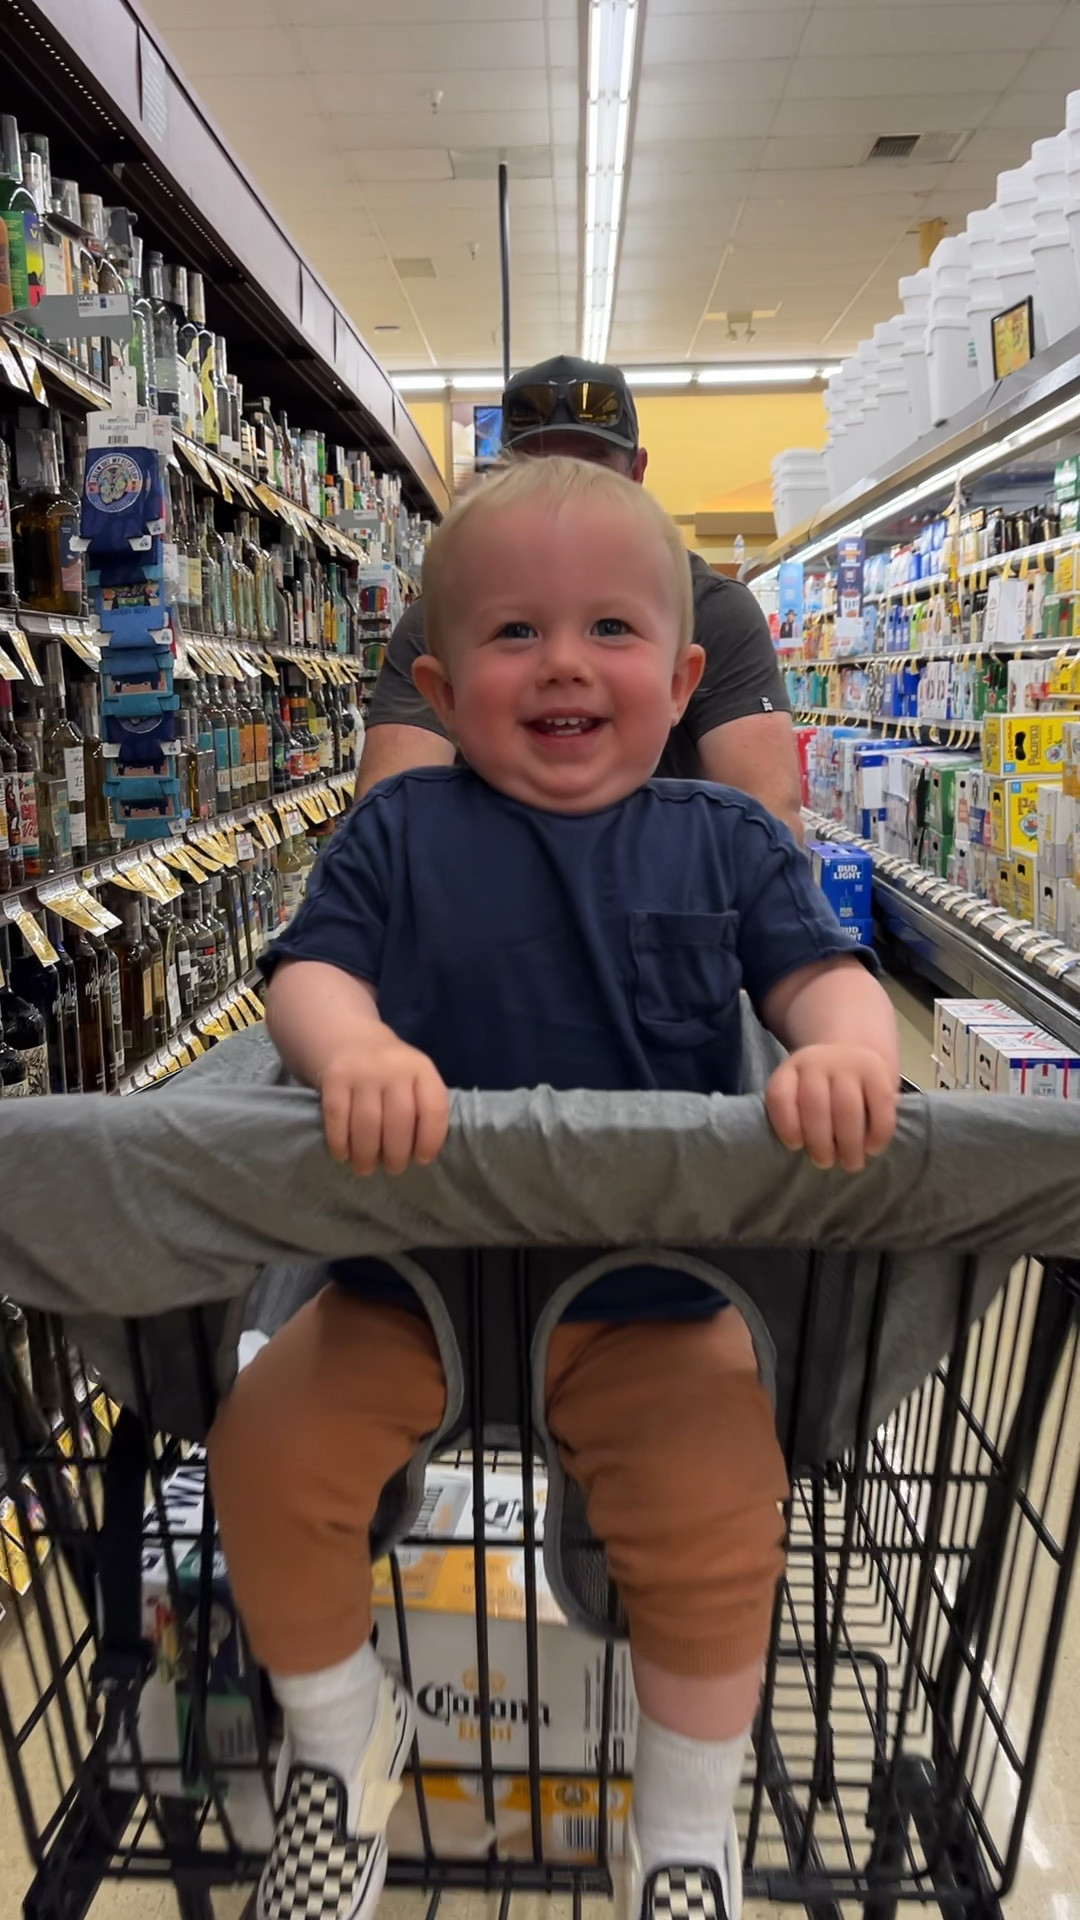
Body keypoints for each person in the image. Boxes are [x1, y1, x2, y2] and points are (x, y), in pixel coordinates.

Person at [208, 457, 899, 1920]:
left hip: (654, 1295)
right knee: (263, 1452)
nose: (565, 663)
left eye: (610, 630)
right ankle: (340, 1743)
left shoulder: (726, 841)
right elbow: (311, 974)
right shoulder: (400, 833)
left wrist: (843, 1053)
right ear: (442, 689)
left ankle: (684, 1828)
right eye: (515, 632)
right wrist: (355, 1048)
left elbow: (821, 979)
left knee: (724, 1510)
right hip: (410, 1278)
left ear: (684, 678)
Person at [357, 354, 804, 838]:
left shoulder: (715, 610)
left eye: (592, 469)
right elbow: (387, 828)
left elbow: (770, 819)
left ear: (636, 473)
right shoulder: (450, 616)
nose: (565, 495)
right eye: (539, 470)